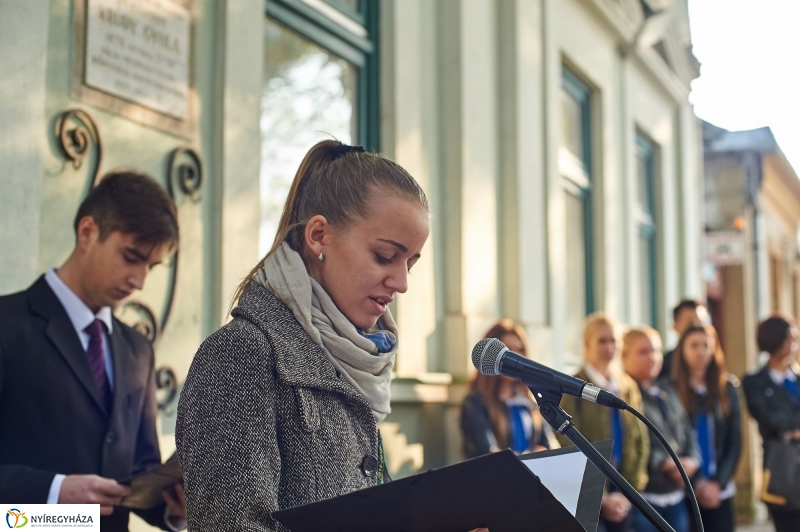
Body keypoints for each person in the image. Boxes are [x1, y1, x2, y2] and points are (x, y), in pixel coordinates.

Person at [176, 141, 488, 532]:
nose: (402, 283)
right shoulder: (241, 354)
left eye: (410, 262)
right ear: (319, 235)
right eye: (385, 256)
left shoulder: (354, 363)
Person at [0, 172, 186, 531]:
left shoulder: (138, 350)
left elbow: (137, 476)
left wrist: (174, 505)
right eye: (131, 256)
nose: (139, 281)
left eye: (151, 266)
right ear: (87, 232)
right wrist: (53, 492)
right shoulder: (6, 325)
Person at [556, 312, 649, 532]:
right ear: (587, 344)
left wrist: (630, 492)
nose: (609, 347)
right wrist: (601, 496)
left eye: (614, 340)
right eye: (602, 340)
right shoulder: (572, 386)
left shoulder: (627, 385)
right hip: (591, 492)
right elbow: (568, 445)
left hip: (624, 490)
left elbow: (640, 440)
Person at [622, 326, 700, 532]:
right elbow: (629, 442)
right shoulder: (621, 396)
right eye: (643, 352)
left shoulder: (668, 390)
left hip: (676, 497)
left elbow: (687, 430)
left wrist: (692, 460)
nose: (652, 357)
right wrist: (665, 463)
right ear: (624, 356)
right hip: (644, 499)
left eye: (655, 351)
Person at [670, 325, 741, 532]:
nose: (701, 351)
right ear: (682, 350)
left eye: (706, 346)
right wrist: (698, 483)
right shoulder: (670, 389)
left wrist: (717, 484)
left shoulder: (727, 388)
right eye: (694, 345)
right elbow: (673, 441)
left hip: (720, 489)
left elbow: (734, 442)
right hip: (685, 489)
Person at [460, 319, 556, 458]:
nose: (515, 358)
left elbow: (549, 446)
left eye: (520, 350)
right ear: (490, 358)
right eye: (509, 350)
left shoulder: (529, 401)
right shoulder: (476, 402)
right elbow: (486, 453)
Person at [742, 315, 800, 532]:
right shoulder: (755, 381)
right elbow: (769, 420)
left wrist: (792, 430)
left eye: (794, 339)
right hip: (781, 468)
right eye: (787, 339)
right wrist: (789, 429)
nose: (792, 345)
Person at [659, 299, 709, 379]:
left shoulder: (714, 362)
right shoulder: (664, 364)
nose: (696, 328)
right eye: (690, 323)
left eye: (700, 323)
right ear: (675, 326)